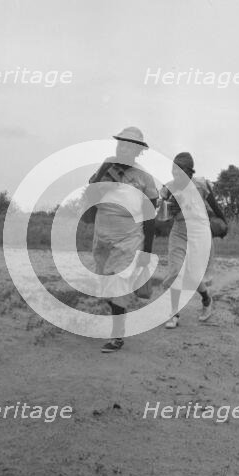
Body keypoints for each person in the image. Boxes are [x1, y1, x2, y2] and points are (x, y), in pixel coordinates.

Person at [89, 127, 158, 353]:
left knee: (118, 284)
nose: (124, 148)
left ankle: (117, 337)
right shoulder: (107, 165)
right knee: (104, 284)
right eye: (121, 144)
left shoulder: (145, 177)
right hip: (103, 235)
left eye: (130, 145)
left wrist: (146, 252)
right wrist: (104, 174)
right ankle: (119, 313)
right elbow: (91, 197)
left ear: (138, 151)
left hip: (129, 238)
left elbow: (150, 218)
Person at [160, 152, 214, 328]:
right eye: (174, 169)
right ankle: (174, 314)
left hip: (198, 232)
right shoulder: (168, 188)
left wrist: (223, 223)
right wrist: (169, 207)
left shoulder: (200, 186)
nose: (176, 173)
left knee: (193, 275)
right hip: (179, 232)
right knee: (176, 271)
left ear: (190, 172)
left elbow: (215, 207)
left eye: (181, 170)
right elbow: (161, 215)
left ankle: (206, 300)